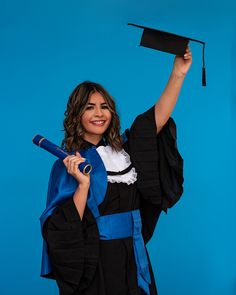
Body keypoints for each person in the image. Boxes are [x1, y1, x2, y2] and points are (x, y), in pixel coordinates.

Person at [39, 47, 192, 295]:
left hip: (134, 254)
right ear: (77, 115)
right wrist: (83, 185)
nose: (99, 113)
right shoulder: (69, 163)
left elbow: (156, 120)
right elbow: (61, 228)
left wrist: (178, 72)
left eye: (104, 106)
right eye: (89, 107)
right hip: (97, 260)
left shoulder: (125, 152)